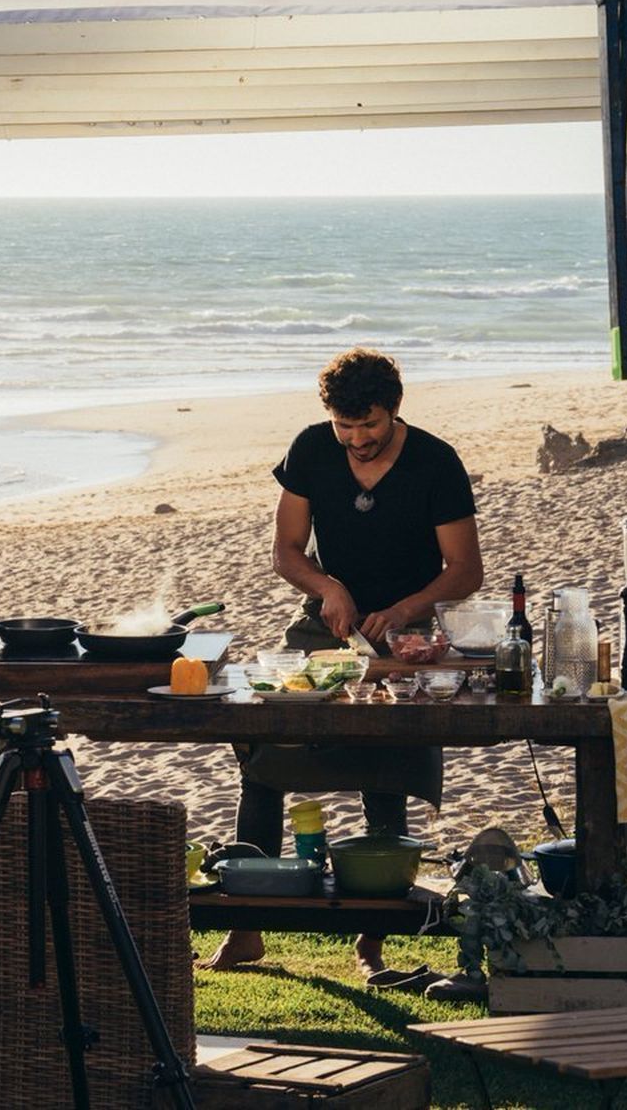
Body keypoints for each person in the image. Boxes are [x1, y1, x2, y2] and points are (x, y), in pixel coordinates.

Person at [201, 347, 482, 976]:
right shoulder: (309, 450)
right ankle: (247, 927)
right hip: (324, 625)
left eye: (370, 426)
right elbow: (285, 551)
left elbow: (466, 570)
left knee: (384, 762)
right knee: (265, 754)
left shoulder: (436, 462)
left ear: (394, 412)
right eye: (344, 426)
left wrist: (407, 609)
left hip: (407, 636)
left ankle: (371, 939)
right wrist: (328, 587)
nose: (356, 439)